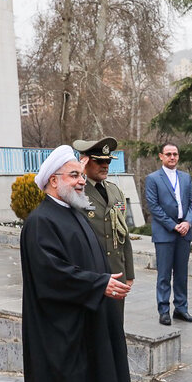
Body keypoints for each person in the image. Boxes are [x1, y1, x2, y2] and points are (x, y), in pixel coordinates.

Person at [19, 145, 138, 382]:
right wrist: (98, 284)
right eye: (74, 175)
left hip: (90, 326)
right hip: (61, 336)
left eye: (81, 175)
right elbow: (52, 274)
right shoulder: (40, 222)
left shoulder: (74, 213)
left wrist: (106, 283)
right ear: (53, 181)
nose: (81, 181)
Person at [73, 136, 134, 321]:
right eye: (99, 161)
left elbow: (123, 234)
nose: (105, 165)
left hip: (117, 272)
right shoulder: (76, 192)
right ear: (85, 162)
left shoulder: (115, 191)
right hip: (91, 274)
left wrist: (129, 272)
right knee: (92, 327)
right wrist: (78, 174)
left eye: (107, 161)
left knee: (116, 323)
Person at [145, 143, 192, 326]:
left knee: (182, 274)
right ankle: (164, 310)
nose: (172, 157)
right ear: (161, 156)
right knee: (164, 274)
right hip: (165, 233)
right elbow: (154, 207)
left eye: (175, 154)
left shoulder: (185, 178)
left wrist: (187, 222)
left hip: (184, 232)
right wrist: (173, 226)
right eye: (168, 154)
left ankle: (181, 309)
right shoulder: (153, 179)